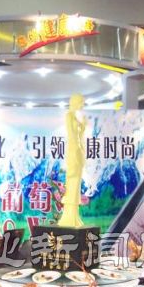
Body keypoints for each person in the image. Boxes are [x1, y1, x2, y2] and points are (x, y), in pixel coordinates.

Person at [58, 93, 86, 228]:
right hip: (73, 152)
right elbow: (72, 135)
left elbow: (79, 136)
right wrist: (76, 152)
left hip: (78, 152)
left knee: (76, 185)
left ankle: (74, 215)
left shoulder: (75, 117)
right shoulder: (69, 116)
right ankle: (68, 217)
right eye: (81, 103)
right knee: (72, 183)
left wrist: (83, 127)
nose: (82, 106)